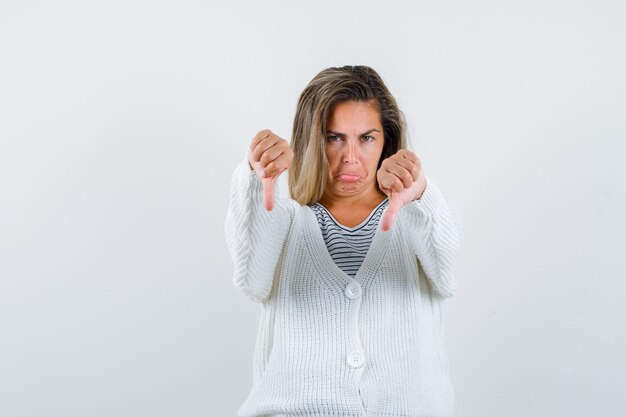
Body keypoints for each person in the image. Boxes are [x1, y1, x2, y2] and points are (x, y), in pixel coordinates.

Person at [224, 65, 462, 417]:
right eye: (333, 137)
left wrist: (420, 195)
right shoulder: (286, 221)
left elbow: (446, 273)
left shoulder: (413, 219)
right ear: (311, 140)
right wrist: (254, 179)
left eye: (367, 138)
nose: (351, 157)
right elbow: (251, 279)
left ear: (387, 141)